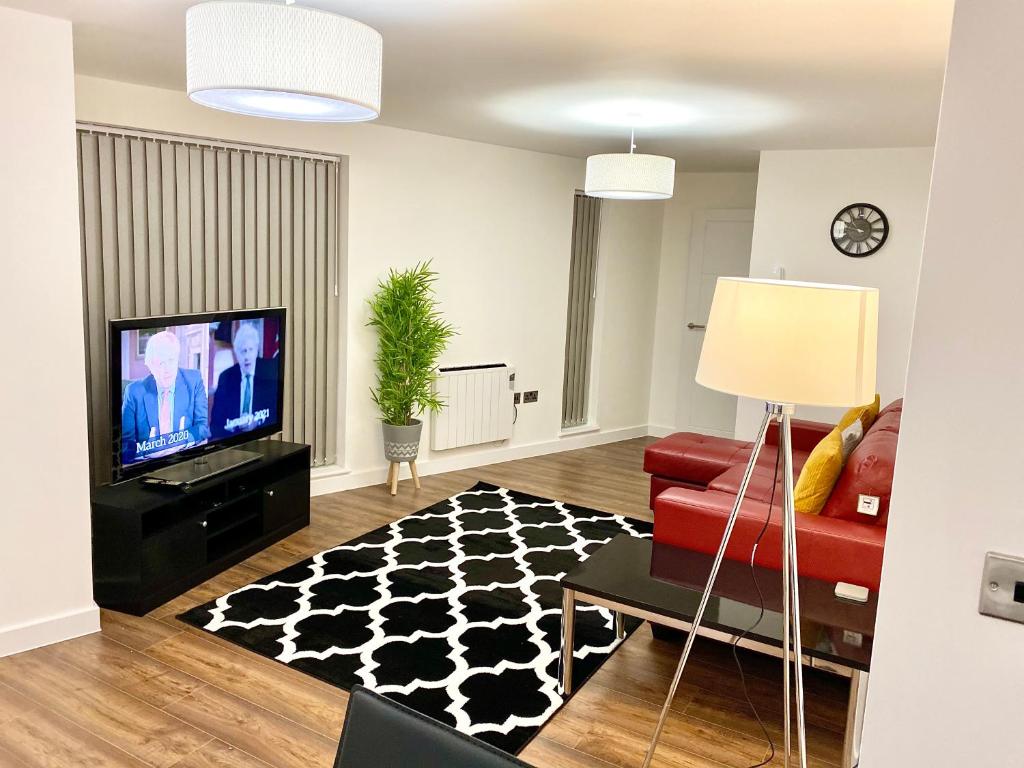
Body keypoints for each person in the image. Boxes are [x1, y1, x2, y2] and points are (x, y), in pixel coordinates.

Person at [121, 330, 210, 463]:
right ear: (150, 366)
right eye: (161, 363)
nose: (167, 369)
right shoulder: (133, 392)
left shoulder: (193, 380)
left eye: (171, 360)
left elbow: (203, 427)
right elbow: (124, 444)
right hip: (147, 467)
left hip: (184, 461)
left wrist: (183, 439)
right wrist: (145, 450)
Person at [210, 323, 279, 439]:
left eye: (250, 350)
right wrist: (230, 427)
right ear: (236, 354)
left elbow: (277, 414)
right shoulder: (225, 378)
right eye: (242, 351)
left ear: (256, 350)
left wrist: (257, 423)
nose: (247, 356)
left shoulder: (270, 371)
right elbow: (215, 427)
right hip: (232, 443)